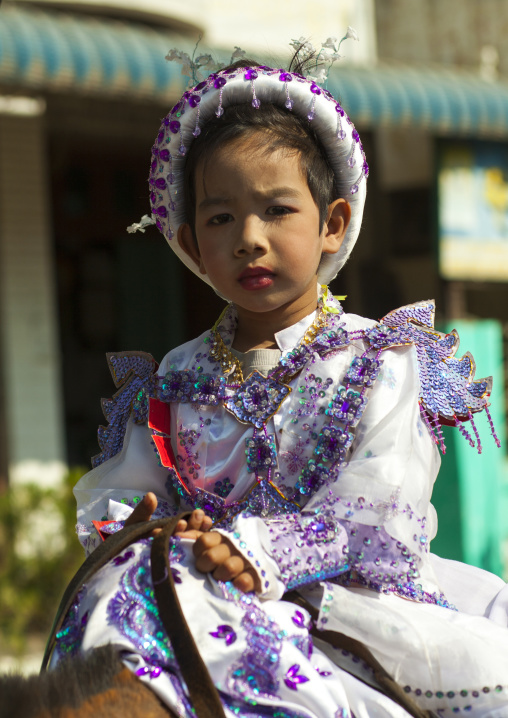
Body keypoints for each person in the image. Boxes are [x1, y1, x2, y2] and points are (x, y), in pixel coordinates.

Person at [55, 45, 508, 717]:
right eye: (220, 219)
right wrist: (158, 533)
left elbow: (379, 511)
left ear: (333, 224)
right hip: (199, 592)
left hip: (345, 604)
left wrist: (255, 551)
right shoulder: (175, 377)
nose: (249, 238)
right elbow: (128, 498)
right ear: (190, 242)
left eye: (277, 210)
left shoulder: (378, 360)